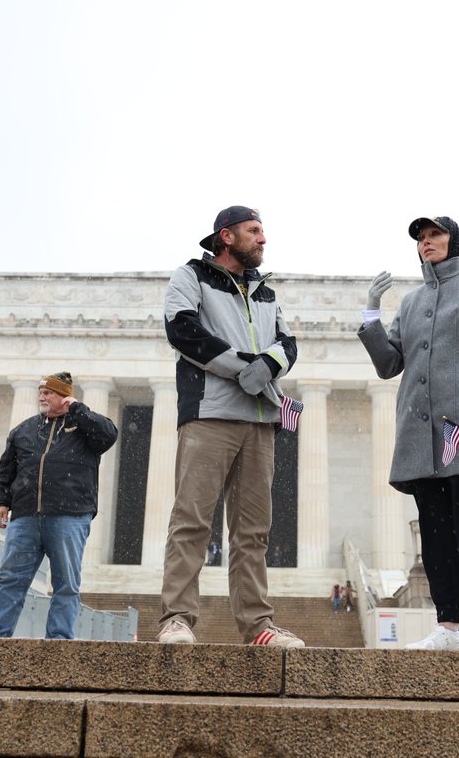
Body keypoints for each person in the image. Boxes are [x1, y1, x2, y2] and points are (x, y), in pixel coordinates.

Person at [359, 216, 459, 652]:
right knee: (435, 532)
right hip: (422, 438)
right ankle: (446, 625)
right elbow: (390, 364)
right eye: (421, 239)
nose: (427, 243)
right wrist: (372, 312)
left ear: (455, 240)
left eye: (435, 235)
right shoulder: (409, 303)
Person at [157, 205, 303, 648]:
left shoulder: (265, 292)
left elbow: (287, 343)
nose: (262, 239)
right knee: (192, 520)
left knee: (253, 530)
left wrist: (268, 366)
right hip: (210, 413)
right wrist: (243, 368)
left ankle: (258, 624)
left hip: (259, 419)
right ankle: (177, 618)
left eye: (263, 232)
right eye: (253, 231)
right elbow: (182, 331)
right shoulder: (190, 277)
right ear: (226, 236)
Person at [0, 372, 117, 640]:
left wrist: (77, 409)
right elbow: (7, 470)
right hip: (26, 516)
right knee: (10, 579)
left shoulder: (83, 428)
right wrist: (1, 501)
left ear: (63, 396)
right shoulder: (24, 430)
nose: (42, 397)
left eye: (48, 393)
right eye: (41, 393)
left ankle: (59, 640)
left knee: (65, 583)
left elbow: (108, 435)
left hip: (70, 515)